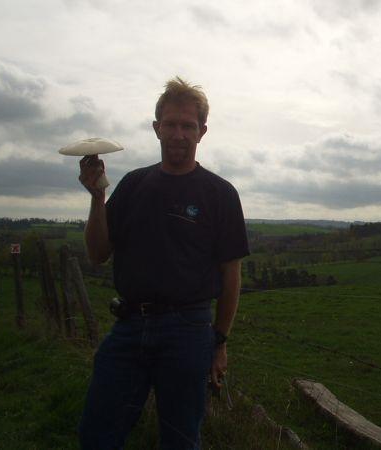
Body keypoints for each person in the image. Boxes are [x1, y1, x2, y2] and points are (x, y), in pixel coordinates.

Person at [77, 77, 249, 449]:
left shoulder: (219, 194)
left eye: (188, 125)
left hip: (188, 331)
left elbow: (231, 276)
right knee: (97, 435)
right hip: (128, 327)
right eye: (170, 124)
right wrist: (97, 196)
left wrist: (219, 343)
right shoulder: (133, 185)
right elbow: (97, 253)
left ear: (202, 132)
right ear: (156, 128)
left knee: (181, 440)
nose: (178, 133)